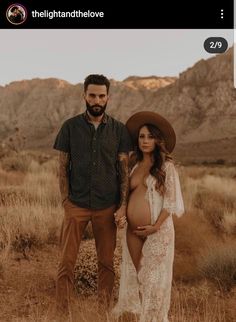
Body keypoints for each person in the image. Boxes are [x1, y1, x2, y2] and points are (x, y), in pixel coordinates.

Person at [53, 74, 132, 314]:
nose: (96, 100)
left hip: (107, 206)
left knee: (106, 263)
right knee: (67, 262)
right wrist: (66, 202)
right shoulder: (69, 127)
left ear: (108, 97)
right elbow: (62, 169)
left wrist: (122, 205)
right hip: (75, 204)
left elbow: (124, 172)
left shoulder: (119, 130)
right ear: (84, 96)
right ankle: (62, 313)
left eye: (101, 95)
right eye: (92, 95)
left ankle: (103, 312)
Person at [113, 111, 184, 322]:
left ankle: (157, 319)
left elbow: (171, 203)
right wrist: (121, 213)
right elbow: (124, 196)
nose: (145, 141)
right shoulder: (133, 165)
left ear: (158, 140)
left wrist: (155, 227)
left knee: (154, 281)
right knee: (141, 278)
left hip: (158, 232)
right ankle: (145, 318)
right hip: (133, 232)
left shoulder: (166, 167)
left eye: (150, 137)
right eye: (142, 136)